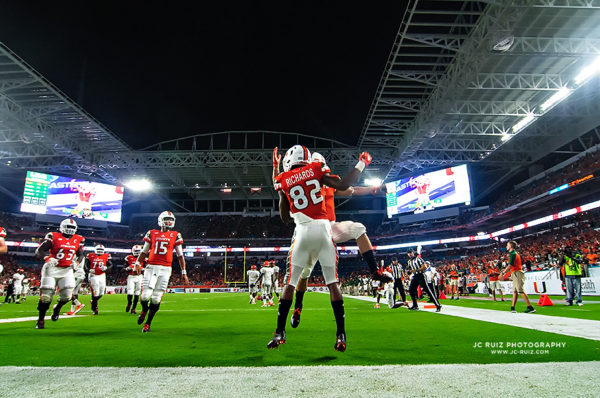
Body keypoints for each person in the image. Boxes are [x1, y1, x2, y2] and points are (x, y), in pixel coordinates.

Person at [267, 145, 370, 351]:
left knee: (290, 283)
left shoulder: (283, 180)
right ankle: (341, 335)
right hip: (324, 231)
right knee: (333, 284)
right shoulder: (315, 169)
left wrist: (276, 169)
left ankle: (280, 332)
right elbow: (344, 184)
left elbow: (285, 217)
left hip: (302, 233)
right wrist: (362, 163)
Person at [278, 151, 392, 329]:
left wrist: (373, 189)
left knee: (358, 228)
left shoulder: (327, 182)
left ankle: (374, 271)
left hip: (329, 227)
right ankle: (298, 306)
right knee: (305, 273)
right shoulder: (312, 179)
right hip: (309, 229)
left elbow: (352, 190)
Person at [135, 211, 189, 333]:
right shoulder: (152, 233)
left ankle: (148, 323)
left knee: (155, 299)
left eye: (170, 219)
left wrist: (184, 272)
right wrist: (137, 264)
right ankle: (144, 310)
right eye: (166, 219)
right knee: (145, 296)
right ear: (160, 220)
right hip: (151, 266)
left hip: (165, 269)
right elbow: (144, 251)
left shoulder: (176, 235)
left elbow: (180, 256)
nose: (169, 221)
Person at [34, 218, 85, 329]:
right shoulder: (54, 236)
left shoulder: (78, 239)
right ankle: (41, 320)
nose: (70, 230)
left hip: (67, 270)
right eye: (69, 227)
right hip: (51, 269)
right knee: (46, 297)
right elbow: (39, 251)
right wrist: (47, 257)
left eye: (72, 228)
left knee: (67, 296)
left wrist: (77, 262)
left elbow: (80, 254)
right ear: (62, 227)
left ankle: (57, 308)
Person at [501, 240, 535, 313]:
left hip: (517, 272)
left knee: (520, 290)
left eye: (507, 245)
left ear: (510, 246)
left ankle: (530, 307)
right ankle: (513, 307)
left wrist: (503, 272)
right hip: (515, 272)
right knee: (515, 291)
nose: (506, 246)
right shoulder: (514, 254)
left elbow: (510, 265)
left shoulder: (513, 254)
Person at [406, 246, 441, 312]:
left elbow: (424, 267)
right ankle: (415, 305)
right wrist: (408, 271)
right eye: (408, 253)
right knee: (411, 289)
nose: (410, 254)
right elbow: (409, 269)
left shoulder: (418, 259)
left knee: (428, 290)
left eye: (410, 252)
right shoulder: (409, 261)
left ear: (413, 252)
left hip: (421, 275)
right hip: (415, 276)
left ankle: (438, 305)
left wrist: (415, 270)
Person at [86, 245, 112, 315]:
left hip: (102, 275)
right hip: (93, 275)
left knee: (101, 293)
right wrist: (89, 269)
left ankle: (93, 301)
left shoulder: (106, 256)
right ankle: (95, 308)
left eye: (101, 250)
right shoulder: (90, 255)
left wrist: (106, 267)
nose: (100, 251)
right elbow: (86, 265)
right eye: (98, 250)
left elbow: (110, 265)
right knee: (96, 291)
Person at [125, 245, 145, 313]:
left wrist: (143, 269)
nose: (137, 253)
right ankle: (129, 303)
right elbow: (123, 268)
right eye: (135, 251)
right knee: (130, 292)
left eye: (138, 251)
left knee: (137, 293)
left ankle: (133, 308)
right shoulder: (128, 257)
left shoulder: (143, 258)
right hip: (131, 276)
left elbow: (146, 267)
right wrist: (127, 268)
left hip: (139, 276)